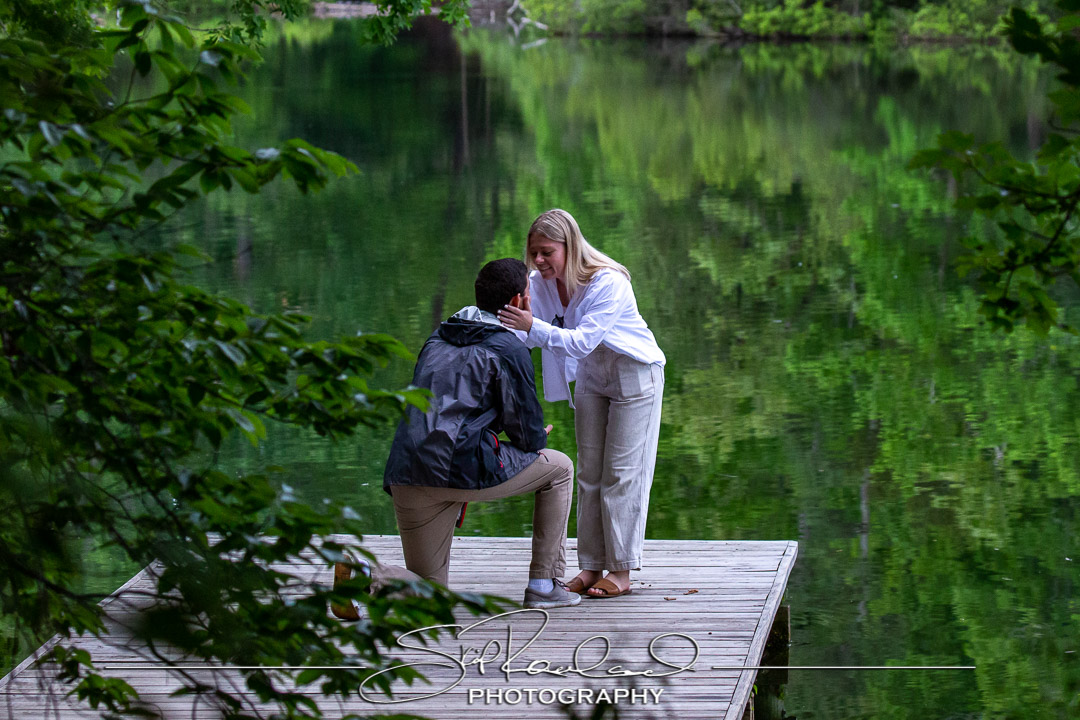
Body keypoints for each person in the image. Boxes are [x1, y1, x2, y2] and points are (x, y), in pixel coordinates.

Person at [334, 258, 580, 619]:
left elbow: (446, 413)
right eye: (529, 295)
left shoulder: (438, 336)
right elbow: (528, 438)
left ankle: (367, 576)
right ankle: (544, 585)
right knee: (559, 468)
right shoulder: (508, 348)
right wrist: (531, 435)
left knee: (429, 594)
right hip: (458, 470)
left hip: (408, 472)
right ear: (517, 302)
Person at [498, 209, 665, 599]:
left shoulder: (609, 282)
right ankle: (591, 566)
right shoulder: (539, 284)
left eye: (546, 252)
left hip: (634, 373)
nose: (538, 262)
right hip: (591, 374)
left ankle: (621, 570)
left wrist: (531, 327)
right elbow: (526, 337)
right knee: (589, 473)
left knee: (622, 474)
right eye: (533, 253)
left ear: (569, 247)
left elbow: (580, 339)